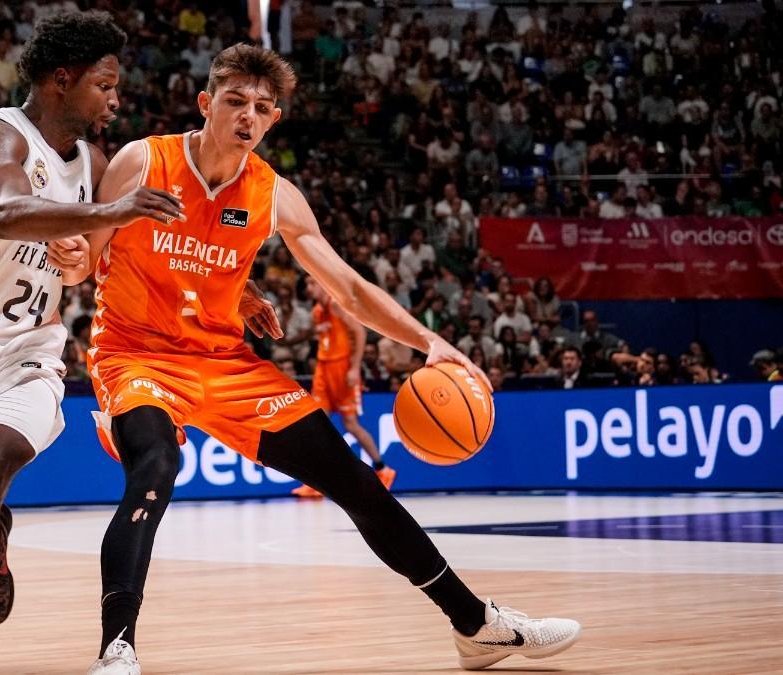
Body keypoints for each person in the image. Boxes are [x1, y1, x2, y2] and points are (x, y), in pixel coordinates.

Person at [65, 44, 580, 674]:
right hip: (135, 352)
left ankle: (477, 626)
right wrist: (69, 254)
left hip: (225, 363)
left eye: (261, 107)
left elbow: (349, 288)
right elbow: (87, 257)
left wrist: (429, 342)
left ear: (274, 118)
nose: (246, 116)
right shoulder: (143, 159)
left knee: (353, 479)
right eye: (234, 101)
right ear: (205, 104)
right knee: (156, 466)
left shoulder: (274, 195)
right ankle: (117, 650)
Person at [0, 12, 161, 674]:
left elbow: (103, 259)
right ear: (61, 80)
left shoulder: (93, 162)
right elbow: (10, 213)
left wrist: (79, 254)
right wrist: (103, 214)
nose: (114, 99)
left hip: (27, 355)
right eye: (105, 84)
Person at [292, 281, 395, 498]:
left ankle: (382, 469)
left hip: (342, 369)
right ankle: (315, 482)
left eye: (312, 283)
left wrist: (355, 368)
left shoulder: (336, 305)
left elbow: (360, 332)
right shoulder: (317, 311)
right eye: (307, 284)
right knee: (315, 424)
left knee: (351, 424)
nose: (309, 287)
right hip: (323, 369)